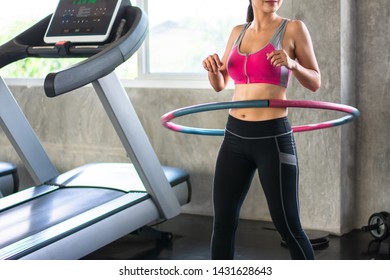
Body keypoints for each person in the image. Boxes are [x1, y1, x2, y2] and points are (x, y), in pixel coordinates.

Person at [202, 0, 321, 260]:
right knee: (223, 223)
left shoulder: (293, 29)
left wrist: (293, 65)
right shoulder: (237, 32)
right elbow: (220, 83)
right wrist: (212, 69)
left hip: (272, 138)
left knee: (288, 226)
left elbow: (315, 82)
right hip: (234, 137)